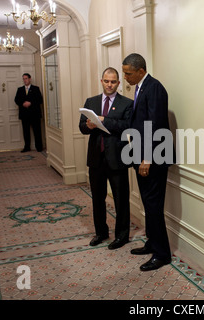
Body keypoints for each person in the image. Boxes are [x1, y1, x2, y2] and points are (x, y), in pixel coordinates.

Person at [122, 53, 173, 271]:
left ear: (141, 71)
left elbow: (156, 125)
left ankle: (162, 254)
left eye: (128, 73)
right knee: (148, 204)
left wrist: (147, 157)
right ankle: (152, 243)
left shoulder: (155, 88)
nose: (125, 77)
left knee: (153, 206)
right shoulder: (141, 86)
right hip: (143, 154)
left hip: (154, 158)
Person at [79, 67, 134, 250]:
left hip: (117, 158)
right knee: (97, 198)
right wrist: (88, 125)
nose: (109, 84)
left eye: (113, 81)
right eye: (106, 81)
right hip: (96, 158)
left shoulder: (127, 103)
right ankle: (101, 232)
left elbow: (127, 126)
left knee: (121, 199)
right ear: (101, 81)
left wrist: (104, 120)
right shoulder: (91, 101)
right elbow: (82, 127)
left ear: (118, 83)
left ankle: (122, 236)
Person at [14, 73, 44, 152]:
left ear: (30, 79)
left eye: (26, 78)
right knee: (26, 132)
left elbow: (40, 100)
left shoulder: (36, 89)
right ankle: (27, 147)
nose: (25, 80)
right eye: (23, 79)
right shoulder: (20, 89)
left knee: (37, 131)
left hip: (35, 114)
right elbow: (16, 100)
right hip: (24, 115)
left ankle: (39, 147)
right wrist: (23, 103)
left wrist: (30, 103)